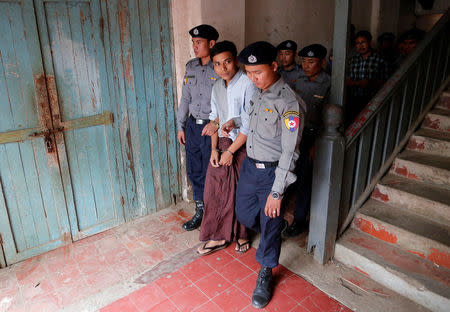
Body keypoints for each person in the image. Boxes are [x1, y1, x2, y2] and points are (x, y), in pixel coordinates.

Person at [233, 41, 306, 309]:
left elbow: (290, 152)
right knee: (243, 213)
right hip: (250, 168)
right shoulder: (258, 92)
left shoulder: (289, 103)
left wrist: (277, 192)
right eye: (249, 72)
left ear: (274, 67)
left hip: (273, 174)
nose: (252, 78)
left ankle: (265, 271)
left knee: (270, 221)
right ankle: (271, 231)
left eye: (258, 72)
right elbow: (250, 124)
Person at [196, 41, 257, 255]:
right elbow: (214, 120)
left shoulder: (248, 84)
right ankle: (218, 236)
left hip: (244, 145)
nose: (223, 68)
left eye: (227, 62)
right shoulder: (216, 87)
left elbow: (250, 124)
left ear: (236, 61)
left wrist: (231, 152)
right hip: (223, 143)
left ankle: (241, 234)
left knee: (241, 190)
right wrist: (215, 149)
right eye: (217, 64)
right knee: (214, 189)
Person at [283, 44, 331, 238]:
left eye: (311, 62)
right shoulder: (299, 79)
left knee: (304, 180)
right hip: (295, 133)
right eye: (303, 61)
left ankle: (299, 220)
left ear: (322, 62)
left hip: (313, 136)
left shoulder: (328, 84)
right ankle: (279, 217)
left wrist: (316, 145)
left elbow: (329, 119)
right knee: (287, 174)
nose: (306, 65)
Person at [176, 24, 219, 231]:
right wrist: (180, 125)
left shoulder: (220, 67)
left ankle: (215, 213)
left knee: (213, 171)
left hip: (211, 129)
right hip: (193, 127)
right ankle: (200, 211)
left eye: (199, 42)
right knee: (194, 170)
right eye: (193, 43)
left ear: (211, 44)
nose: (195, 46)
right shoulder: (191, 67)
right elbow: (185, 99)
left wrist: (217, 123)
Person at [346, 30, 389, 126]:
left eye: (363, 42)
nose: (360, 46)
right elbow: (347, 81)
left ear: (369, 42)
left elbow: (386, 82)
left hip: (372, 100)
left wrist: (371, 83)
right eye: (357, 43)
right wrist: (358, 83)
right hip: (354, 99)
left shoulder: (379, 59)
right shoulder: (352, 60)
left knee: (369, 124)